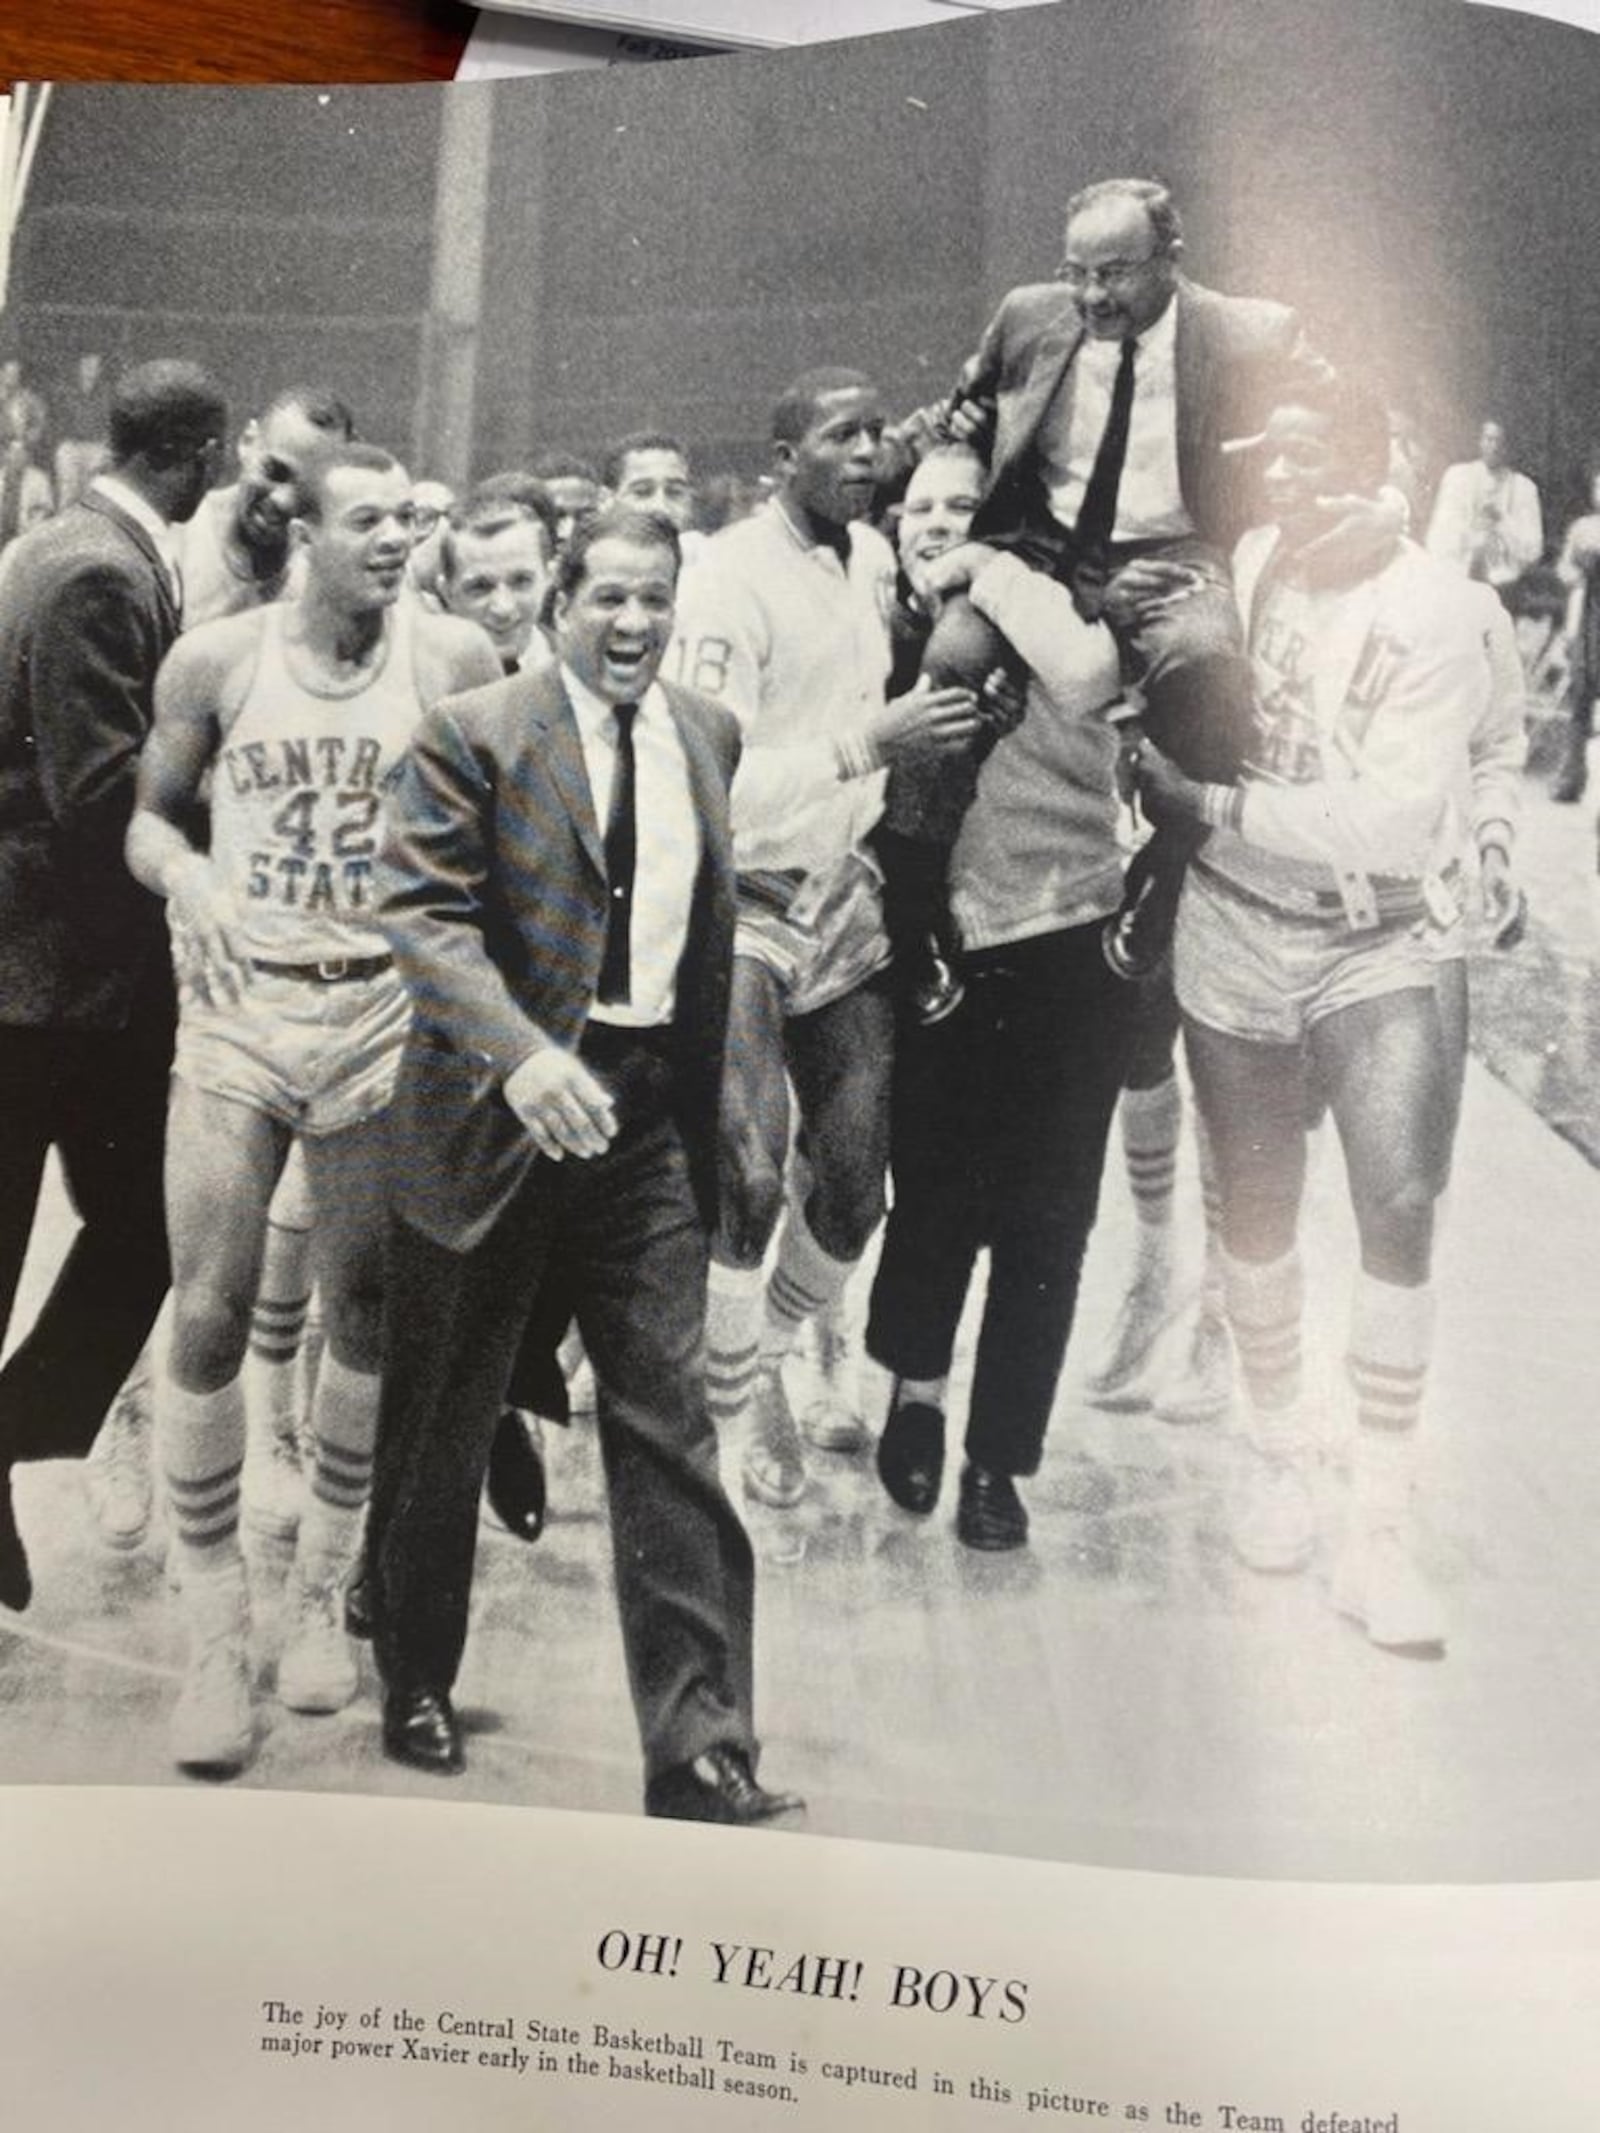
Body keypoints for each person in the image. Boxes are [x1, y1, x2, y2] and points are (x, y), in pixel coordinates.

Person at [366, 506, 801, 1827]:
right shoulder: (478, 733)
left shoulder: (707, 739)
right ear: (560, 599)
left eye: (653, 600)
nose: (631, 625)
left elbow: (717, 939)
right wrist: (519, 1054)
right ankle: (414, 1674)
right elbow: (424, 916)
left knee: (667, 1422)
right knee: (445, 1414)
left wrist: (721, 1110)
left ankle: (700, 1743)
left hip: (641, 1126)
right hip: (493, 1124)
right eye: (607, 597)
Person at [125, 443, 498, 1773]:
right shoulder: (218, 662)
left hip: (381, 1013)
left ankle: (325, 1595)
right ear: (308, 536)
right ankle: (214, 1632)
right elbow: (150, 822)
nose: (398, 538)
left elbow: (496, 820)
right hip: (241, 1005)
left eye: (410, 518)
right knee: (213, 1310)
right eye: (372, 520)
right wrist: (192, 881)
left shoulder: (452, 659)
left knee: (368, 1310)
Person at [1137, 381, 1492, 1653]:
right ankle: (1279, 1458)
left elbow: (1406, 812)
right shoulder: (1255, 560)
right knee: (1256, 1202)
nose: (1279, 483)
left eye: (1304, 460)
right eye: (1269, 463)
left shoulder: (1445, 609)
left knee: (1398, 1202)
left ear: (1374, 461)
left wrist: (1210, 807)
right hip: (1235, 922)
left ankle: (1381, 1525)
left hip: (1376, 925)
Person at [905, 176, 1362, 979]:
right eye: (1076, 270)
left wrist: (1376, 507)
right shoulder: (1027, 315)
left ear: (1170, 261)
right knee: (950, 664)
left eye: (1113, 272)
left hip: (1173, 549)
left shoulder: (1251, 333)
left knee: (1210, 672)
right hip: (1039, 543)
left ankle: (1166, 867)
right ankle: (917, 901)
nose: (1090, 293)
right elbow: (954, 411)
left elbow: (1357, 428)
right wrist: (918, 460)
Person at [671, 367, 982, 1504]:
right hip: (738, 893)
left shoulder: (868, 560)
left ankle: (772, 1343)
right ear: (780, 458)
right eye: (839, 438)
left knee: (853, 1188)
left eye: (872, 438)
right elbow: (714, 781)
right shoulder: (723, 580)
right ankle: (732, 1399)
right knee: (751, 1179)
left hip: (840, 893)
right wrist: (871, 745)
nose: (865, 456)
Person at [0, 358, 227, 1615]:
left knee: (119, 1229)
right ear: (203, 451)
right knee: (149, 1229)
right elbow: (97, 793)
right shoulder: (100, 570)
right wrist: (223, 775)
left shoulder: (61, 541)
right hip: (61, 977)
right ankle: (13, 1428)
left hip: (43, 967)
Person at [867, 516, 1134, 1547]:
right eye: (925, 510)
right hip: (947, 928)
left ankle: (999, 1458)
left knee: (1050, 1221)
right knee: (935, 1194)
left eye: (963, 512)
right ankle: (918, 1393)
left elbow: (1095, 689)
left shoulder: (1095, 616)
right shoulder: (900, 621)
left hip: (1075, 925)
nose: (942, 526)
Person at [179, 387, 357, 629]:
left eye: (308, 489)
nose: (284, 501)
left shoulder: (321, 576)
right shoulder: (178, 539)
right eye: (275, 472)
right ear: (248, 442)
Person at [437, 485, 558, 675]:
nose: (503, 607)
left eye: (521, 582)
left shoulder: (584, 672)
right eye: (480, 587)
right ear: (447, 593)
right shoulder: (420, 679)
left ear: (549, 577)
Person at [1426, 417, 1543, 600]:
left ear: (1509, 447)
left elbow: (1533, 550)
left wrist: (1503, 522)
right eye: (1489, 439)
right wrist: (1471, 537)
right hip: (1459, 577)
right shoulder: (1457, 477)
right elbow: (1438, 535)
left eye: (1500, 441)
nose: (1494, 447)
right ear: (1479, 441)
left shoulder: (1524, 488)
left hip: (1504, 586)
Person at [1552, 460, 1600, 804]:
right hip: (1585, 617)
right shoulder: (1582, 528)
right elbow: (1565, 570)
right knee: (1579, 700)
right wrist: (1579, 571)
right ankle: (1571, 777)